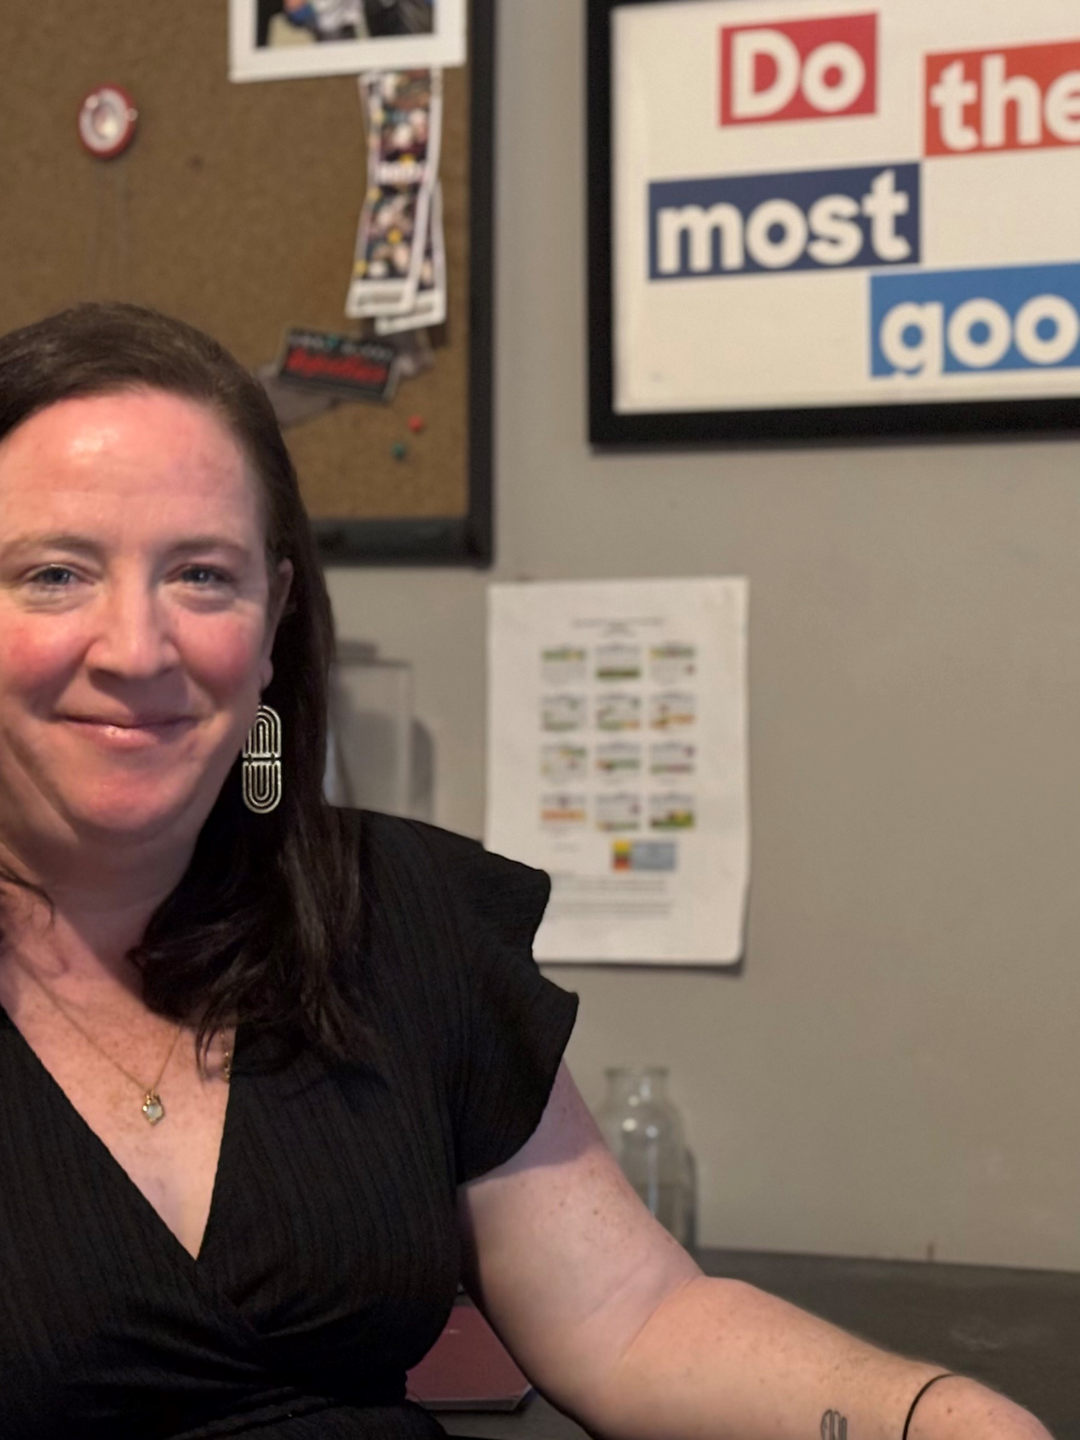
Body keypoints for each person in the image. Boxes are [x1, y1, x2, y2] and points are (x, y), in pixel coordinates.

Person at [0, 302, 1052, 1439]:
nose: (136, 648)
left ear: (272, 622)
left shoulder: (392, 916)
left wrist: (937, 1415)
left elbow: (633, 1317)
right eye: (54, 574)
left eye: (202, 575)